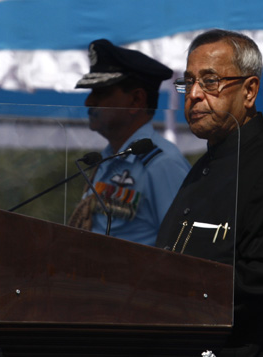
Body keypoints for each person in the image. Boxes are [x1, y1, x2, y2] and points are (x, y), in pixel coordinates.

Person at [156, 29, 263, 356]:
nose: (194, 94)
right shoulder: (208, 162)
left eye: (210, 81)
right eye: (188, 82)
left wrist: (171, 295)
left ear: (249, 90)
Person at [68, 39, 191, 246]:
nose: (89, 102)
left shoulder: (163, 165)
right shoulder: (105, 159)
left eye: (101, 92)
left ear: (136, 101)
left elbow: (181, 248)